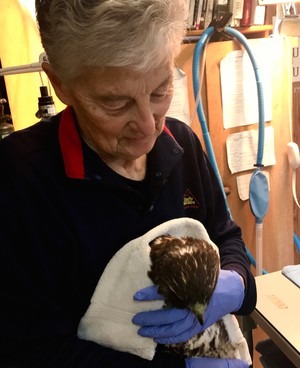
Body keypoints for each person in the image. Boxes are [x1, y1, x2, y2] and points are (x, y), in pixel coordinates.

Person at [0, 0, 256, 367]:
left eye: (160, 89)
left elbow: (225, 237)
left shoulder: (181, 144)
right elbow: (29, 348)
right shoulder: (20, 180)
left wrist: (236, 285)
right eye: (115, 103)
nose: (149, 125)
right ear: (60, 84)